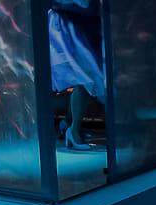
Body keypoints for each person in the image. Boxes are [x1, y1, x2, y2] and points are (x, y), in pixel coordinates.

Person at [49, 0, 105, 150]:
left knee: (87, 78)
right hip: (70, 28)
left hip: (79, 25)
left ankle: (69, 124)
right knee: (86, 78)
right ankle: (73, 130)